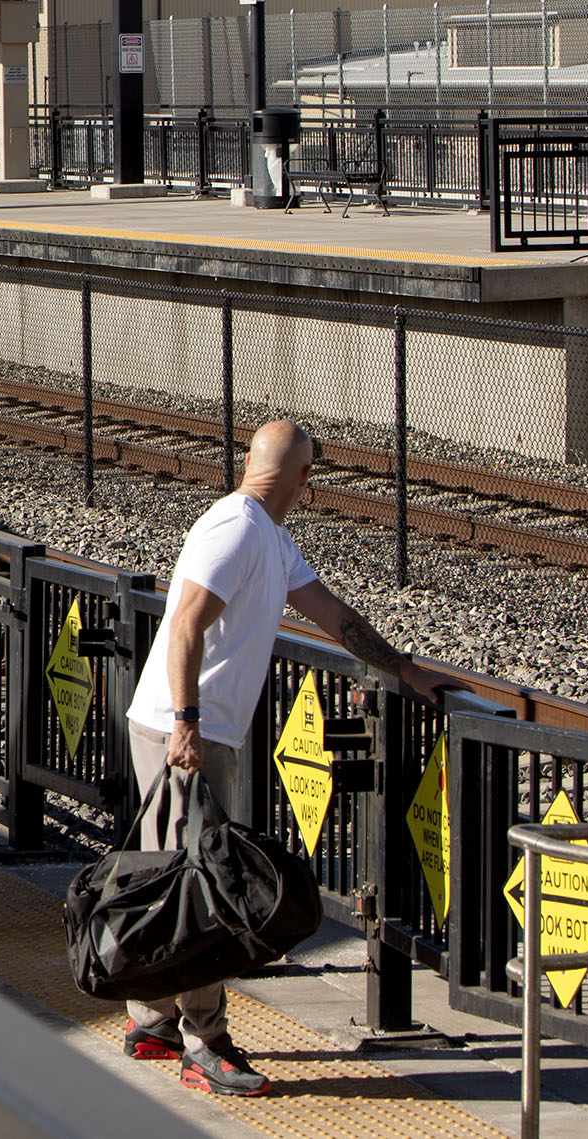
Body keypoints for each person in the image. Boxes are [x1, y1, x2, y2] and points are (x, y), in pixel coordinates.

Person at [121, 419, 429, 1098]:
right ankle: (206, 1042)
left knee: (179, 875)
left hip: (188, 728)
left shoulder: (270, 536)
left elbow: (332, 614)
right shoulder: (234, 528)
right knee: (208, 885)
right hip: (187, 734)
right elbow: (185, 624)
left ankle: (154, 1018)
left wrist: (402, 667)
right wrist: (188, 723)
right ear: (305, 478)